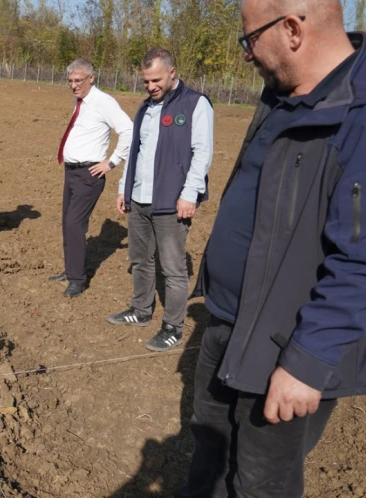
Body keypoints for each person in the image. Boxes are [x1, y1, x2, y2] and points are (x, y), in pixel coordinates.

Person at [176, 1, 366, 496]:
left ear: (292, 30)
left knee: (261, 480)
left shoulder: (358, 114)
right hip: (227, 321)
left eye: (249, 39)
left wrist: (306, 362)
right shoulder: (281, 94)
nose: (245, 54)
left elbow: (361, 259)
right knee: (209, 448)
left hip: (288, 345)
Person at [107, 49, 213, 351]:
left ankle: (172, 327)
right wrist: (123, 188)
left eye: (156, 80)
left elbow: (201, 154)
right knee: (140, 260)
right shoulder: (144, 108)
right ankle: (141, 311)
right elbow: (136, 152)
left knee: (173, 269)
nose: (151, 86)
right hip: (139, 199)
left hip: (172, 201)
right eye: (146, 81)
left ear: (172, 72)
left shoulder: (195, 104)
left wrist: (189, 194)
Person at [48, 58, 133, 298]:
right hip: (72, 172)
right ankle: (70, 270)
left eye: (78, 80)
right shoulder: (80, 101)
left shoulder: (103, 102)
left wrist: (112, 161)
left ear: (91, 78)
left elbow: (128, 130)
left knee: (75, 224)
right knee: (67, 222)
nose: (74, 85)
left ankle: (78, 279)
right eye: (70, 81)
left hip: (89, 174)